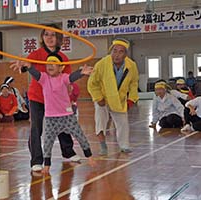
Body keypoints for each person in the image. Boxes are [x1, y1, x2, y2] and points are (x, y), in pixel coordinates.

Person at [10, 25, 79, 172]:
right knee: (36, 128)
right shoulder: (36, 54)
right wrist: (22, 65)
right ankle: (36, 160)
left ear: (59, 38)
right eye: (46, 34)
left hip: (57, 99)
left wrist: (69, 90)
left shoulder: (64, 58)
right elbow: (26, 65)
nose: (49, 37)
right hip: (37, 97)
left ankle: (68, 151)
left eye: (53, 35)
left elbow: (67, 79)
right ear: (42, 37)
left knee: (63, 124)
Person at [17, 53, 95, 174]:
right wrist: (29, 67)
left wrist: (80, 73)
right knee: (48, 142)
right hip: (50, 118)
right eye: (48, 63)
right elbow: (36, 74)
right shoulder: (43, 78)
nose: (50, 66)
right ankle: (47, 165)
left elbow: (71, 78)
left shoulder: (63, 77)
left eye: (53, 63)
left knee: (80, 136)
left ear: (60, 67)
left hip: (67, 116)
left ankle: (89, 157)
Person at [87, 38, 139, 155]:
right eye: (114, 51)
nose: (117, 55)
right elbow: (92, 83)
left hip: (119, 100)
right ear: (111, 51)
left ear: (126, 54)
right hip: (103, 98)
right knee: (100, 121)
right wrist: (98, 97)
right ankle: (103, 145)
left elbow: (134, 83)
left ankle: (124, 145)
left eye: (121, 52)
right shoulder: (101, 64)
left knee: (123, 123)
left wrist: (132, 99)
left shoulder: (132, 66)